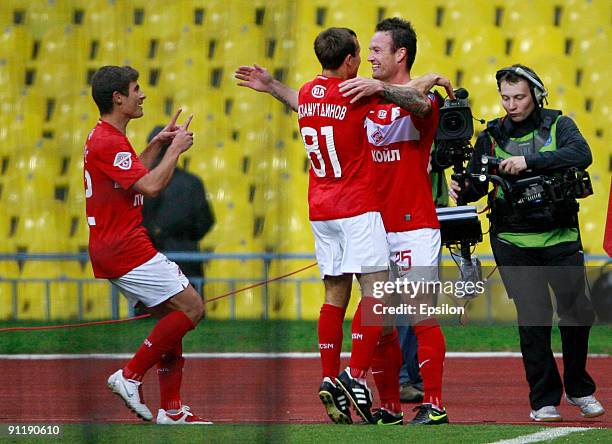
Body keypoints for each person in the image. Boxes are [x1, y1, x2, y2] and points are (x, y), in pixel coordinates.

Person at [236, 17, 453, 426]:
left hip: (412, 222)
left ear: (399, 54)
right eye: (366, 50)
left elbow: (424, 106)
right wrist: (274, 87)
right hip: (370, 219)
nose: (369, 57)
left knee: (421, 313)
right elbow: (314, 103)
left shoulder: (403, 99)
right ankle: (388, 406)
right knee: (381, 321)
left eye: (377, 50)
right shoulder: (355, 96)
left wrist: (384, 88)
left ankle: (434, 403)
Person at [450, 64, 605, 422]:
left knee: (577, 313)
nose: (511, 104)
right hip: (512, 239)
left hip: (561, 235)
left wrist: (528, 161)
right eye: (505, 97)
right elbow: (476, 185)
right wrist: (465, 188)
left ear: (536, 94)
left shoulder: (559, 125)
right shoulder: (489, 136)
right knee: (533, 318)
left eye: (519, 96)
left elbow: (581, 155)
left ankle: (580, 388)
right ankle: (543, 400)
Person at [85, 65, 211, 425]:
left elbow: (130, 175)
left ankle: (171, 410)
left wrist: (158, 145)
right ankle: (129, 375)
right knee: (191, 309)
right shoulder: (109, 140)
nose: (142, 95)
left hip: (115, 244)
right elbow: (151, 187)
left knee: (173, 318)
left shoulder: (105, 136)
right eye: (136, 89)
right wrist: (176, 152)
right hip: (125, 246)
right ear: (118, 98)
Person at [142, 125, 215, 289]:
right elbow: (205, 221)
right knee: (189, 312)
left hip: (151, 259)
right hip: (185, 257)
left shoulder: (142, 182)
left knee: (151, 312)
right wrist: (183, 237)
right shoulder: (192, 182)